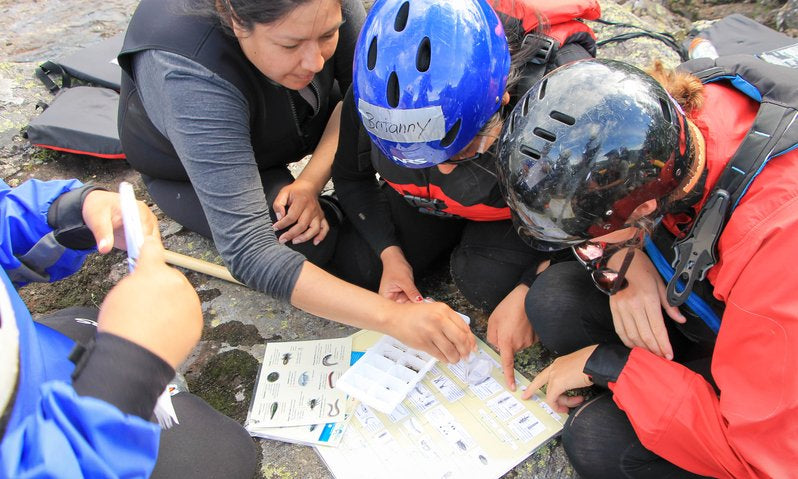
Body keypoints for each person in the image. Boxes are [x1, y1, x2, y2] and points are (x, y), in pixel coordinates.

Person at [117, 0, 474, 362]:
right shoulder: (188, 71)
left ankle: (337, 208)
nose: (315, 62)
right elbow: (250, 251)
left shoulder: (325, 6)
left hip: (299, 121)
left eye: (327, 36)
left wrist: (310, 183)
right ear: (235, 18)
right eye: (290, 45)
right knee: (299, 242)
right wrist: (394, 318)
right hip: (185, 170)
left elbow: (363, 100)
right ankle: (337, 216)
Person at [495, 58, 798, 477]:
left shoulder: (777, 246)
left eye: (590, 239)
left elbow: (765, 460)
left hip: (775, 382)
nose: (589, 250)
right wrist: (625, 258)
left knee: (598, 441)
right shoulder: (654, 119)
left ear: (645, 208)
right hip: (725, 314)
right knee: (555, 302)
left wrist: (611, 365)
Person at [331, 0, 598, 389]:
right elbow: (352, 180)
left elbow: (593, 222)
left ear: (502, 101)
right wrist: (390, 255)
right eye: (411, 154)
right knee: (360, 271)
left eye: (463, 150)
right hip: (428, 206)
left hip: (512, 222)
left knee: (488, 283)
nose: (442, 168)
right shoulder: (379, 96)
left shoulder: (561, 102)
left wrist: (529, 284)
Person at [0, 179, 256, 478]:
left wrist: (66, 213)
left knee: (89, 323)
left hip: (34, 353)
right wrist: (127, 372)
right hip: (53, 452)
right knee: (219, 451)